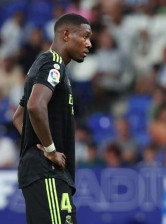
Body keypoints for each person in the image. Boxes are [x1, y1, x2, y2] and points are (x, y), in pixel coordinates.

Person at [12, 13, 92, 224]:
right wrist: (49, 150)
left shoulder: (42, 64)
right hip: (47, 172)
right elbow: (34, 106)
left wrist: (36, 142)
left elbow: (19, 117)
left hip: (44, 172)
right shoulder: (53, 64)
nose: (89, 43)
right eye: (85, 36)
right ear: (66, 35)